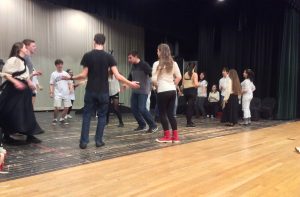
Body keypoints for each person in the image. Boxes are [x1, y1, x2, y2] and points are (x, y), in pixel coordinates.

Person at [63, 33, 140, 149]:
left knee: (87, 116)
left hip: (90, 91)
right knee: (102, 116)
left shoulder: (87, 55)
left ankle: (84, 142)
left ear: (94, 41)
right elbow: (118, 76)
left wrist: (71, 78)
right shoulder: (109, 57)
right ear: (104, 43)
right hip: (103, 92)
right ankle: (98, 141)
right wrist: (130, 83)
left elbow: (83, 75)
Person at [0, 42, 43, 144]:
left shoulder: (22, 62)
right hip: (14, 90)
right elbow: (5, 74)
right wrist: (16, 82)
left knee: (27, 112)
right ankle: (6, 136)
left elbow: (23, 75)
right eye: (24, 47)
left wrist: (31, 79)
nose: (26, 48)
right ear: (20, 49)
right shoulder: (13, 60)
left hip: (23, 90)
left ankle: (30, 135)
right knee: (10, 112)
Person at [152, 44, 182, 143]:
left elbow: (154, 80)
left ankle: (167, 137)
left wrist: (156, 87)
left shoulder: (157, 64)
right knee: (171, 114)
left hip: (163, 90)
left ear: (161, 51)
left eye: (157, 50)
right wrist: (173, 85)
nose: (157, 52)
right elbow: (179, 77)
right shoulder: (174, 63)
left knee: (162, 114)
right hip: (172, 91)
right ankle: (175, 137)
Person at [127, 51, 158, 133]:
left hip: (143, 90)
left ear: (136, 56)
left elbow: (152, 74)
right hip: (135, 91)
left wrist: (153, 85)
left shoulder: (144, 65)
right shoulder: (133, 66)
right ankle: (142, 125)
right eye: (128, 58)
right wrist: (126, 84)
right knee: (134, 109)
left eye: (130, 58)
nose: (129, 60)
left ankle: (153, 125)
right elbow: (130, 77)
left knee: (142, 108)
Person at [50, 59, 73, 125]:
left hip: (66, 93)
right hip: (58, 93)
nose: (60, 65)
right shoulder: (53, 74)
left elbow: (70, 82)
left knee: (67, 107)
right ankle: (54, 119)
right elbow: (51, 84)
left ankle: (62, 119)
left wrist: (71, 88)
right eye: (58, 64)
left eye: (61, 64)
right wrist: (51, 92)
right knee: (57, 107)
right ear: (56, 65)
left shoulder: (65, 73)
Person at [182, 62, 199, 127]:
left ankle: (188, 121)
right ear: (194, 67)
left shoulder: (185, 74)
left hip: (186, 91)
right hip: (192, 91)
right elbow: (196, 84)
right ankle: (189, 122)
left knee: (187, 107)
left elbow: (183, 84)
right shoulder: (195, 74)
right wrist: (200, 85)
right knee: (190, 107)